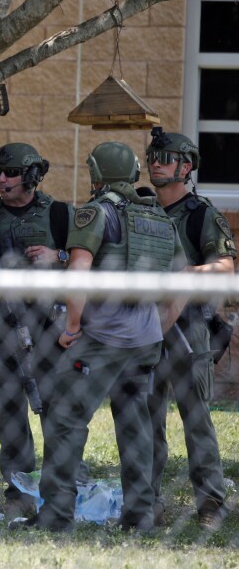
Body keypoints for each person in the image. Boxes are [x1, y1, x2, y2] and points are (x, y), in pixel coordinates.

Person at [27, 141, 184, 532]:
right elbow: (179, 284)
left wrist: (72, 328)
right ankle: (140, 517)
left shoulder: (94, 213)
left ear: (97, 174)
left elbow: (77, 272)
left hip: (101, 340)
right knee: (135, 426)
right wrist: (156, 329)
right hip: (145, 341)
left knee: (65, 419)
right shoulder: (159, 217)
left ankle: (56, 516)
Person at [0, 143, 73, 517]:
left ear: (31, 176)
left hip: (48, 326)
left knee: (56, 407)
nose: (1, 180)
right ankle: (19, 490)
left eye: (10, 173)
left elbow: (90, 260)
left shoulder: (59, 215)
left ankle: (62, 487)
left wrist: (60, 257)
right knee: (9, 408)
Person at [144, 128, 235, 531]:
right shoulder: (141, 209)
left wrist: (186, 272)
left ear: (186, 166)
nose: (155, 163)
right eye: (152, 157)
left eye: (165, 157)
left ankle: (211, 505)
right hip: (143, 328)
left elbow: (226, 267)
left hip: (190, 331)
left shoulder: (201, 214)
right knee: (146, 420)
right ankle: (148, 503)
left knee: (196, 420)